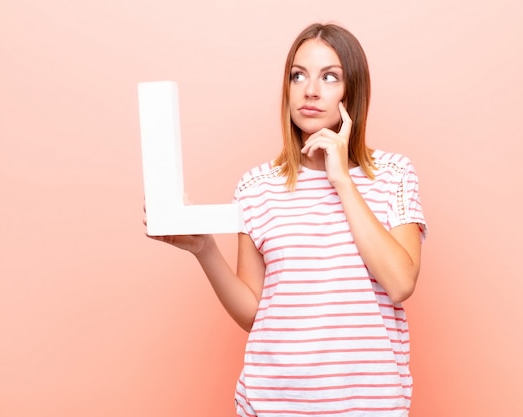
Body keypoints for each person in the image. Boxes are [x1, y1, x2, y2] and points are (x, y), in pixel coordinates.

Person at [146, 22, 427, 417]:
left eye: (330, 77)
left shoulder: (394, 175)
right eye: (299, 75)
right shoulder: (256, 186)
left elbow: (400, 283)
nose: (310, 90)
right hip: (273, 403)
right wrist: (204, 249)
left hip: (369, 406)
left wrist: (342, 181)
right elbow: (254, 313)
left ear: (354, 94)